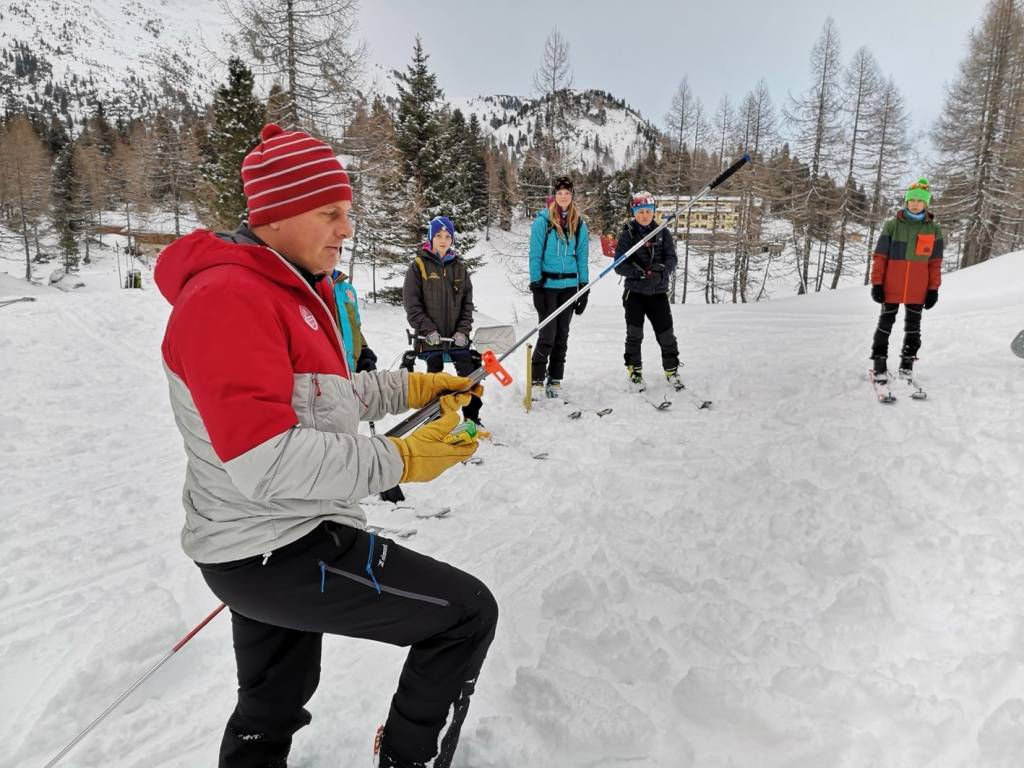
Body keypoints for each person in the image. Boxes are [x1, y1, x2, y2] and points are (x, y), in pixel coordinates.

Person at [154, 123, 497, 768]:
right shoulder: (228, 297)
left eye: (348, 213)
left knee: (275, 698)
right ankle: (408, 757)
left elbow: (331, 398)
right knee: (465, 615)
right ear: (278, 213)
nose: (346, 230)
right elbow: (268, 460)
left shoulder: (284, 288)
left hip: (265, 541)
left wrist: (417, 388)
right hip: (276, 545)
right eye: (331, 213)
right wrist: (402, 459)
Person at [401, 215, 483, 424]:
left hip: (456, 339)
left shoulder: (459, 268)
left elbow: (467, 304)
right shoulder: (418, 266)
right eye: (438, 235)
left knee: (468, 375)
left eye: (447, 236)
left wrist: (463, 331)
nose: (443, 240)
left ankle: (472, 419)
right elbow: (412, 304)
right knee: (434, 377)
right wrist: (427, 330)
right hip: (431, 339)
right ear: (431, 237)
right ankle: (435, 419)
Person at [869, 177, 944, 383]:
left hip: (917, 290)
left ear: (926, 203)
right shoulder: (892, 225)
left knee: (913, 327)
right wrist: (877, 283)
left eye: (919, 200)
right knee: (885, 325)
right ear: (906, 201)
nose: (915, 204)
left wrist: (933, 289)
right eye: (911, 200)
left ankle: (907, 364)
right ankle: (879, 362)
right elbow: (880, 257)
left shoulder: (934, 230)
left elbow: (935, 262)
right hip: (891, 287)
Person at [612, 191, 682, 393]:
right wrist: (638, 273)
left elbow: (672, 259)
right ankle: (635, 371)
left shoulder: (662, 232)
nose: (644, 215)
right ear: (634, 213)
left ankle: (672, 370)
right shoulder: (628, 234)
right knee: (635, 334)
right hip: (634, 293)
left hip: (657, 292)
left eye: (648, 211)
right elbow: (618, 265)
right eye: (640, 211)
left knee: (666, 333)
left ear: (654, 212)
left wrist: (661, 273)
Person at [528, 176, 590, 398]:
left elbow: (582, 257)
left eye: (568, 193)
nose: (564, 197)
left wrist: (584, 287)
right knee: (548, 333)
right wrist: (536, 283)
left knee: (562, 334)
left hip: (569, 286)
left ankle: (555, 378)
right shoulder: (542, 222)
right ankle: (536, 378)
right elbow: (535, 255)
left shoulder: (579, 223)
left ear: (572, 196)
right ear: (555, 195)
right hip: (547, 286)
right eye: (560, 193)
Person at [326, 267, 377, 372]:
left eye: (338, 249)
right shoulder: (308, 286)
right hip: (327, 374)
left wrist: (363, 351)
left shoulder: (348, 290)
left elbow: (355, 325)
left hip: (351, 369)